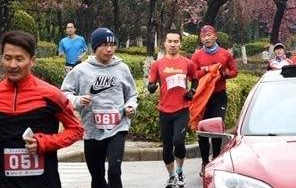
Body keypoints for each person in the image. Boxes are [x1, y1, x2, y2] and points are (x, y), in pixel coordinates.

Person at [0, 30, 84, 188]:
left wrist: (44, 143)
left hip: (43, 182)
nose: (12, 65)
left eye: (19, 59)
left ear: (32, 61)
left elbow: (76, 130)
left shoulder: (51, 94)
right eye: (8, 58)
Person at [61, 27, 138, 188]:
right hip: (92, 129)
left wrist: (130, 106)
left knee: (114, 171)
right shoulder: (81, 70)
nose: (109, 49)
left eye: (112, 45)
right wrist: (78, 100)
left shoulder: (122, 68)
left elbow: (132, 94)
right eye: (103, 45)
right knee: (97, 176)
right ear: (95, 47)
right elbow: (64, 94)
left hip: (118, 127)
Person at [147, 30, 198, 187]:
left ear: (180, 43)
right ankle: (171, 175)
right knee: (167, 147)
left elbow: (195, 80)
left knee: (179, 142)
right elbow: (151, 84)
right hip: (164, 111)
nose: (173, 44)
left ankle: (180, 170)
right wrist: (152, 87)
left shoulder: (187, 63)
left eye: (176, 41)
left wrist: (192, 92)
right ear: (165, 43)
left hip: (181, 110)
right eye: (170, 41)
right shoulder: (158, 64)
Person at [190, 25, 238, 176]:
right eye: (203, 36)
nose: (206, 38)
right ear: (201, 38)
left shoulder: (225, 54)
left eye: (209, 35)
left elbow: (234, 71)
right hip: (202, 97)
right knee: (203, 129)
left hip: (219, 96)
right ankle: (205, 162)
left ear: (215, 36)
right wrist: (205, 70)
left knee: (216, 129)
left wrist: (224, 73)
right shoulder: (197, 56)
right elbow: (193, 74)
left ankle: (216, 160)